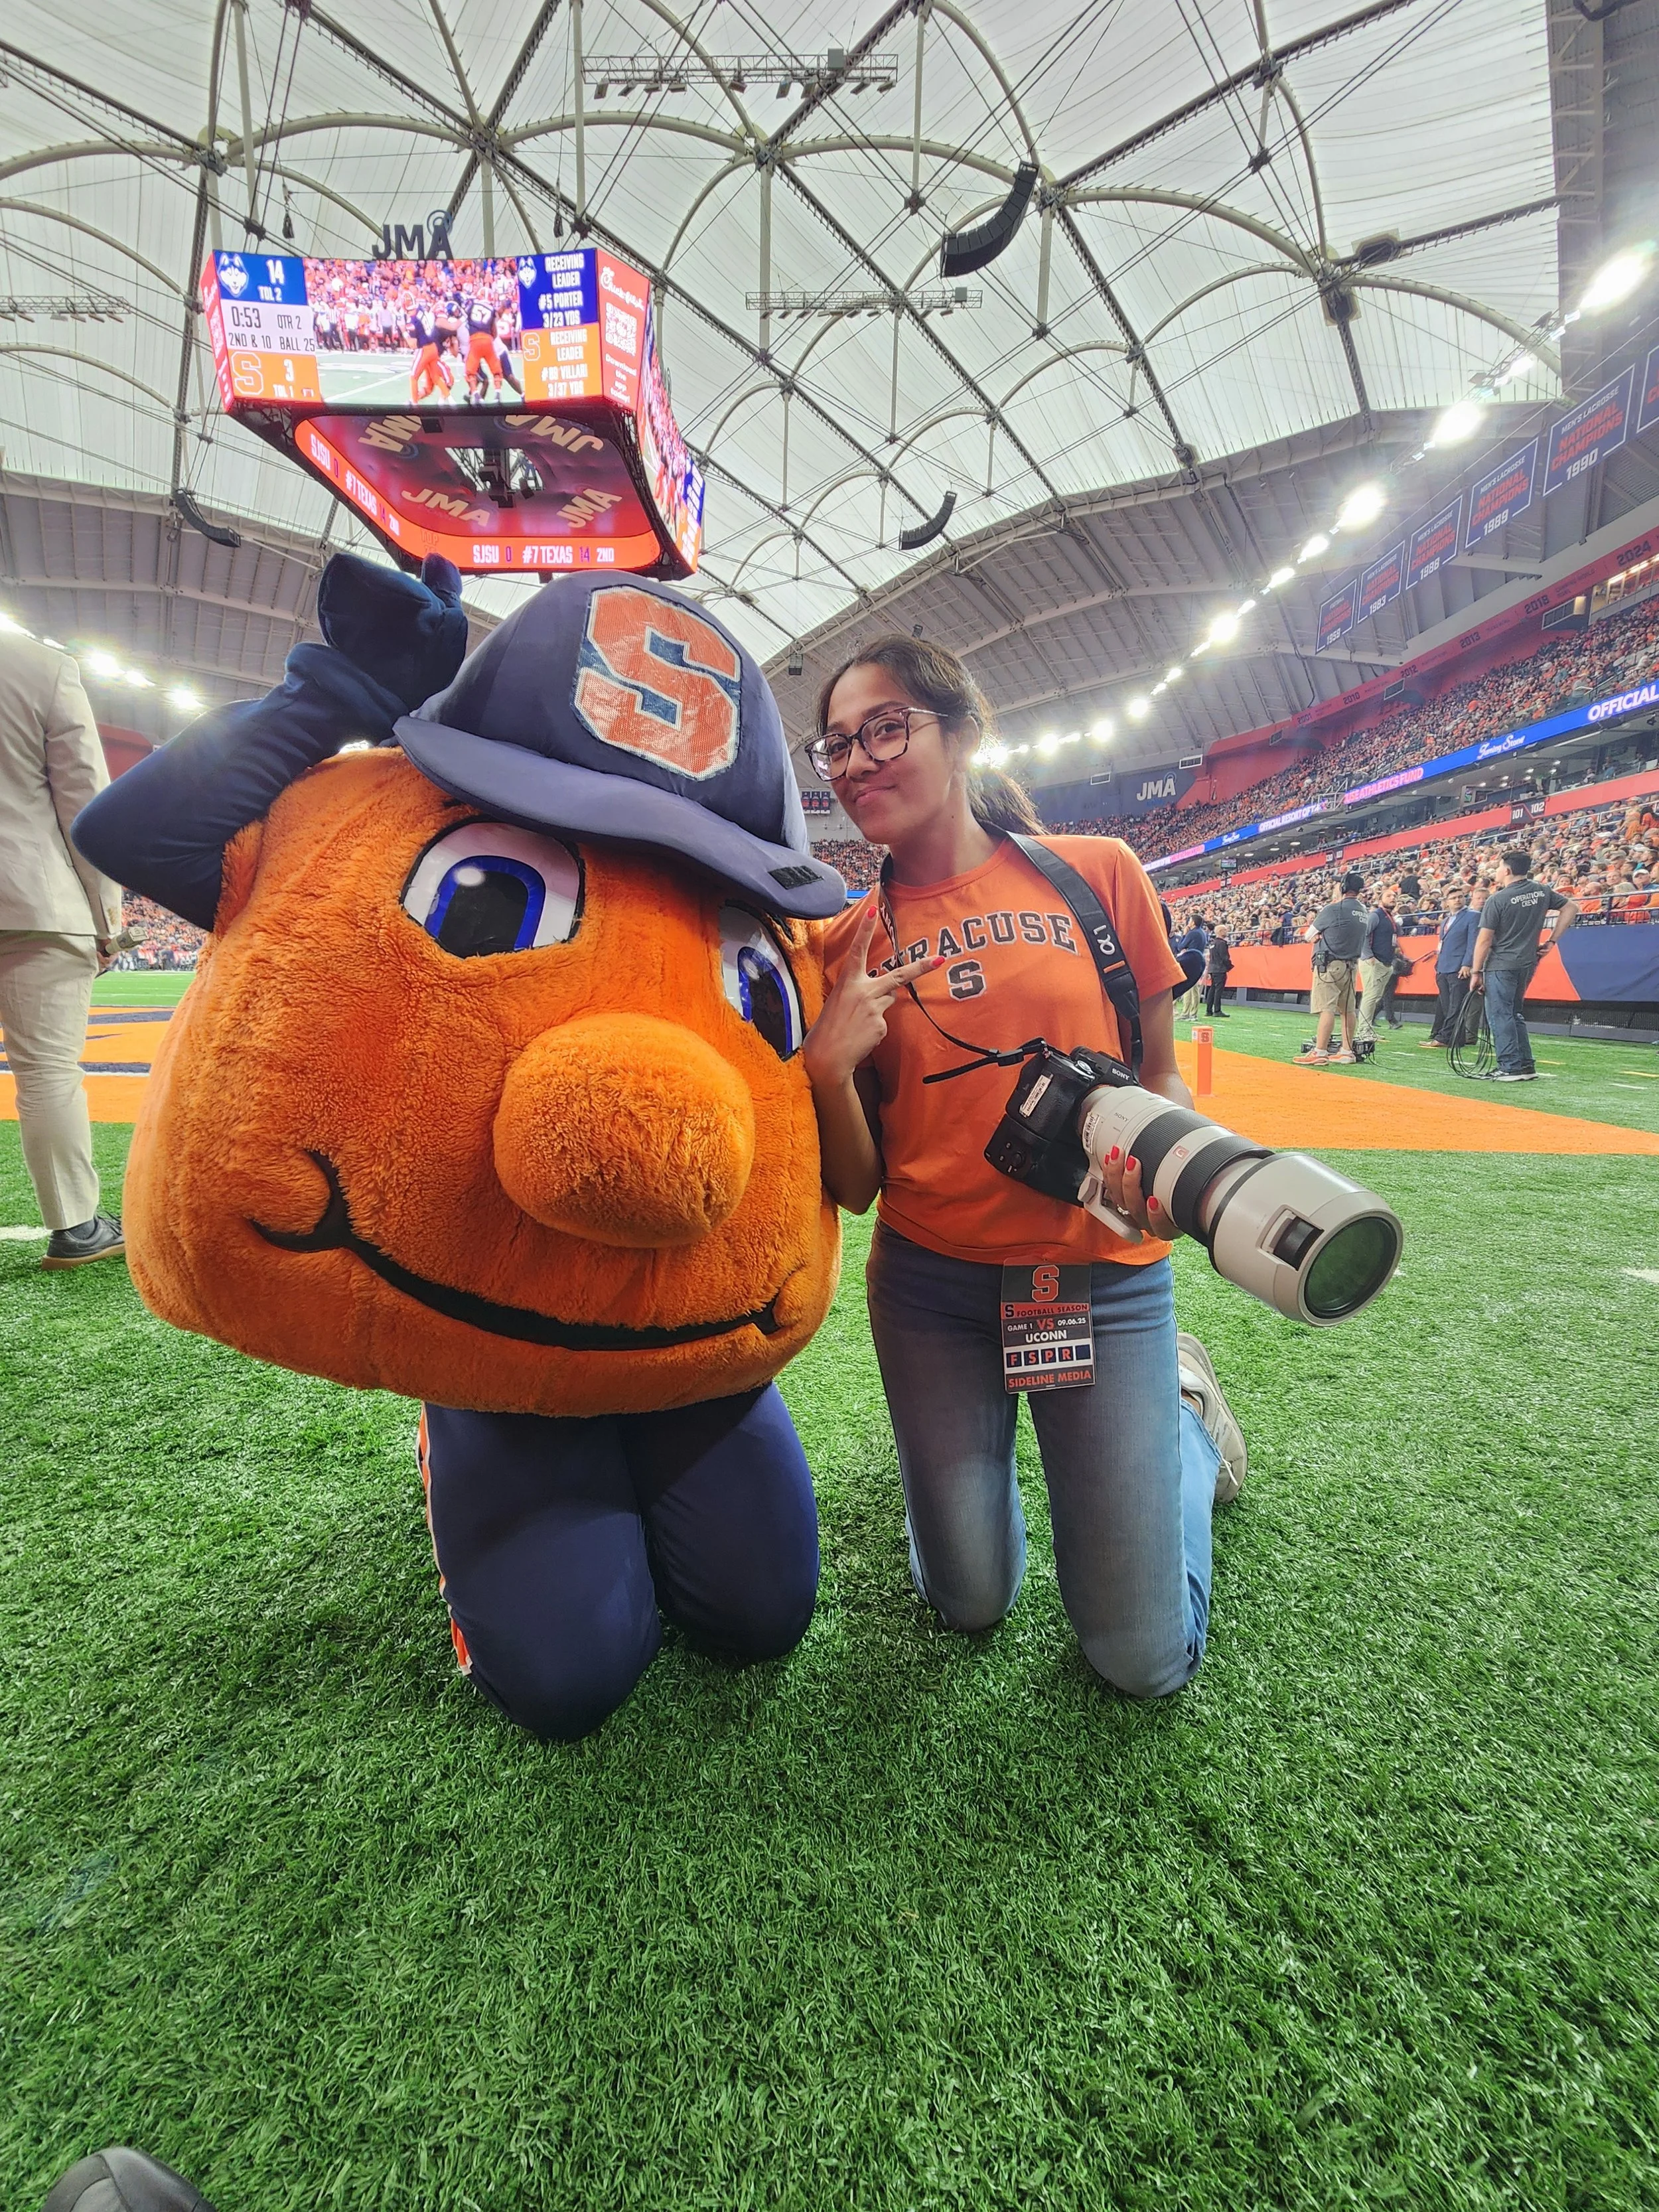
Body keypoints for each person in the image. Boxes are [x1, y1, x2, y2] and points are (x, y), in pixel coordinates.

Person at [803, 636, 1245, 1702]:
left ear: (963, 734)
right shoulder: (843, 944)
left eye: (886, 729)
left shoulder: (1099, 873)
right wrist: (826, 1070)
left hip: (1105, 1281)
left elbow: (1161, 1071)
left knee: (1141, 1660)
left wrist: (1166, 1165)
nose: (857, 761)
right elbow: (858, 1188)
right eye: (837, 745)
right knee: (968, 1601)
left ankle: (1185, 1417)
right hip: (932, 1290)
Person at [0, 625, 127, 1267]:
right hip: (30, 896)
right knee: (47, 1070)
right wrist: (108, 920)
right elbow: (86, 807)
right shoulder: (39, 666)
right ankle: (75, 1227)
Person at [1470, 849, 1579, 1081]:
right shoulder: (1541, 890)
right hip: (1527, 962)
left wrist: (1476, 971)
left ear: (1507, 870)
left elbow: (1485, 940)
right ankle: (1526, 1065)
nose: (1497, 871)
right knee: (1514, 1013)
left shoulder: (1497, 899)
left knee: (1500, 1015)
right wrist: (1552, 941)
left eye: (1499, 867)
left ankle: (1510, 1066)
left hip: (1501, 964)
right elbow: (1571, 908)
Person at [1295, 870, 1368, 1067]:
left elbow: (1308, 935)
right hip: (1351, 966)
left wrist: (1319, 936)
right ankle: (1347, 1052)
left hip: (1330, 965)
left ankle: (1320, 1051)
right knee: (1348, 1010)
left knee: (1326, 1009)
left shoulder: (1333, 909)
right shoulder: (1363, 911)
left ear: (1343, 887)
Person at [1423, 886, 1479, 1047]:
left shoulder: (1473, 916)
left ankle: (1444, 1038)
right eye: (1454, 898)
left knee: (1456, 1006)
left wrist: (1467, 964)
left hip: (1459, 967)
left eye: (1460, 897)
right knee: (1447, 1006)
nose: (1458, 900)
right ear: (1447, 902)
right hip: (1443, 967)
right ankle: (1457, 1039)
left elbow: (1473, 943)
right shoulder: (1446, 920)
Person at [1354, 883, 1399, 1046]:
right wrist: (1369, 956)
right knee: (1370, 996)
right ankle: (1363, 1031)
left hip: (1384, 962)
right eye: (1389, 896)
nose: (1393, 898)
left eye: (1394, 896)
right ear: (1380, 901)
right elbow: (1363, 935)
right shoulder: (1376, 916)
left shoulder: (1389, 918)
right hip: (1374, 962)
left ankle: (1367, 1029)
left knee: (1375, 997)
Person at [1202, 927, 1232, 1017]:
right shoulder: (1222, 944)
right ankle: (1217, 1010)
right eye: (1225, 930)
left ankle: (1209, 1010)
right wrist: (1229, 966)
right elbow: (1225, 957)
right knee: (1218, 990)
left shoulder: (1213, 943)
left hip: (1213, 968)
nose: (1227, 932)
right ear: (1220, 931)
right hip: (1220, 969)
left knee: (1213, 989)